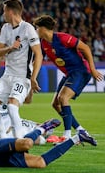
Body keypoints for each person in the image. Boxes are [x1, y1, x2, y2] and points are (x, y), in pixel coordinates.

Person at [33, 15, 103, 145]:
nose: (35, 31)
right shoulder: (43, 44)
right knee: (55, 104)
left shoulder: (62, 38)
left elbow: (86, 48)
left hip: (81, 71)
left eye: (37, 28)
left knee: (63, 98)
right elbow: (38, 58)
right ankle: (81, 131)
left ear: (43, 28)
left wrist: (93, 69)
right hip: (69, 74)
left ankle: (66, 136)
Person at [0, 0, 43, 139]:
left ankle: (19, 142)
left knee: (12, 107)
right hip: (7, 76)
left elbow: (38, 54)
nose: (3, 14)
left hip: (22, 76)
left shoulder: (28, 29)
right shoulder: (6, 28)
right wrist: (10, 47)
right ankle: (3, 139)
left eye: (4, 10)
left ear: (10, 11)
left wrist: (33, 78)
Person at [0, 78, 48, 144]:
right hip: (6, 133)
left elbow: (28, 101)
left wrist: (31, 90)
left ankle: (52, 136)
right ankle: (47, 138)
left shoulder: (5, 97)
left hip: (16, 123)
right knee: (40, 140)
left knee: (48, 130)